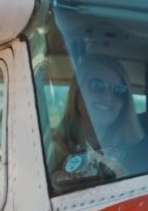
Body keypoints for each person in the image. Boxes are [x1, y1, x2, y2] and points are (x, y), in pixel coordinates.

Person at [52, 54, 142, 184]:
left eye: (119, 91)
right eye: (97, 86)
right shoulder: (48, 149)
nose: (108, 96)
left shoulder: (135, 154)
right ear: (77, 91)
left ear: (125, 103)